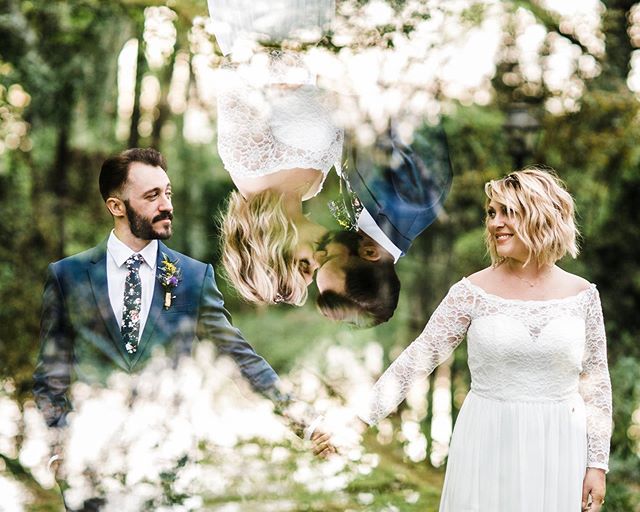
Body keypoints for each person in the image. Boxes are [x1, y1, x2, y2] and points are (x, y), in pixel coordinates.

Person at [33, 148, 333, 509]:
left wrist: (304, 421)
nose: (166, 205)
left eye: (168, 192)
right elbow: (52, 374)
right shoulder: (68, 276)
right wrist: (56, 449)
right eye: (152, 195)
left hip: (169, 473)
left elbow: (240, 358)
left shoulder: (192, 277)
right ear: (116, 206)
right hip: (90, 470)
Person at [358, 168, 612, 511]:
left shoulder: (583, 295)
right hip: (488, 438)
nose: (494, 223)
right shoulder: (470, 292)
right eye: (491, 213)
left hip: (560, 443)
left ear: (542, 215)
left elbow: (596, 385)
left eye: (508, 212)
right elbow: (420, 356)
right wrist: (361, 417)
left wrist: (596, 464)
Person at [217, 53, 344, 306]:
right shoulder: (311, 188)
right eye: (313, 270)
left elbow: (234, 67)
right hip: (335, 38)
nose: (318, 262)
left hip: (274, 23)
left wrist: (309, 66)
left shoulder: (248, 163)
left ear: (273, 249)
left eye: (304, 264)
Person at [314, 124, 452, 326]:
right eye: (330, 257)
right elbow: (408, 109)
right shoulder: (416, 197)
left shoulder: (360, 229)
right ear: (370, 253)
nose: (317, 255)